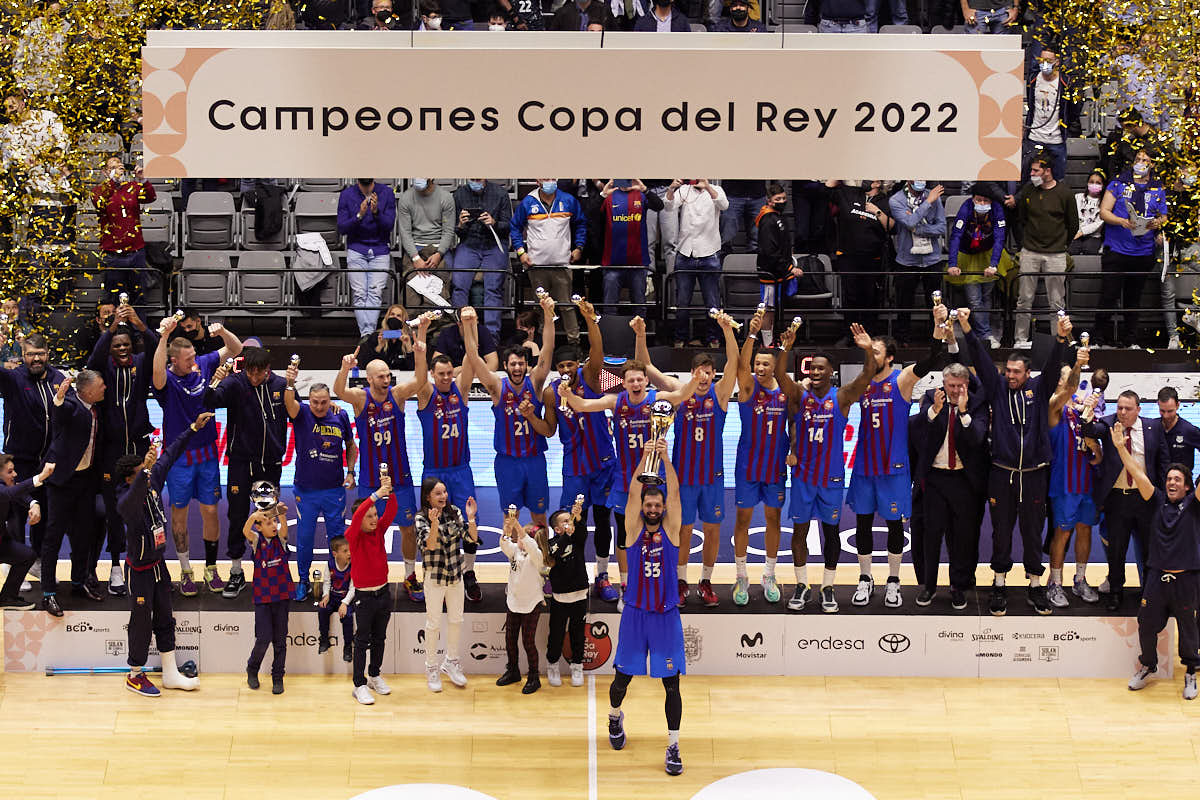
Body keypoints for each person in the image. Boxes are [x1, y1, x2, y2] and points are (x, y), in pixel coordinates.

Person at [560, 346, 696, 597]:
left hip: (655, 476)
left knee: (662, 529)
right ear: (623, 383)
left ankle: (662, 580)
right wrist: (567, 394)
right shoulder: (615, 401)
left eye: (639, 378)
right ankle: (626, 586)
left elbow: (683, 395)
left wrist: (695, 380)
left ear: (646, 381)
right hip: (625, 479)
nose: (635, 383)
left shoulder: (657, 400)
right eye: (630, 379)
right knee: (625, 533)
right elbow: (583, 405)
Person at [965, 311, 1069, 615]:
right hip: (1002, 473)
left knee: (1033, 530)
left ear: (1027, 373)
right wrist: (967, 327)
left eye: (1016, 372)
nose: (1010, 376)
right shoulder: (996, 389)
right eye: (1008, 371)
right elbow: (980, 359)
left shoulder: (1038, 390)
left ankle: (1035, 585)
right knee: (1001, 530)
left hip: (1035, 474)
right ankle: (999, 583)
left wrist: (1061, 338)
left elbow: (1052, 366)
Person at [632, 313, 737, 608]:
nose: (704, 376)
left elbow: (734, 362)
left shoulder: (720, 394)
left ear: (713, 374)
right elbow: (647, 368)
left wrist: (727, 331)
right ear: (692, 373)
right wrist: (641, 335)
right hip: (684, 478)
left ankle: (706, 581)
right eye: (699, 372)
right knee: (684, 530)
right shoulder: (680, 393)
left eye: (709, 372)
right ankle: (681, 581)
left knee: (714, 529)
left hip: (713, 478)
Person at [776, 323, 876, 612]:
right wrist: (786, 346)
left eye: (821, 368)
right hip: (804, 477)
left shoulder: (842, 397)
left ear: (831, 372)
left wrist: (868, 350)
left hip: (831, 478)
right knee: (799, 532)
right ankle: (802, 585)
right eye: (812, 369)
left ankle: (828, 587)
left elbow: (868, 375)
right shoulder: (798, 396)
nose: (816, 372)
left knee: (831, 534)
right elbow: (780, 375)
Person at [333, 314, 431, 602]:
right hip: (371, 480)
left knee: (408, 528)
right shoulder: (361, 398)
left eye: (388, 375)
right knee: (364, 530)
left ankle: (411, 575)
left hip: (400, 477)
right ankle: (361, 577)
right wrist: (343, 367)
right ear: (369, 378)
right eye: (381, 376)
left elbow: (421, 379)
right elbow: (339, 391)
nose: (387, 380)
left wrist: (420, 350)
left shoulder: (398, 395)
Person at [115, 413, 212, 697]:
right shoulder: (125, 500)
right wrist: (143, 474)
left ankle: (170, 672)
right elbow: (132, 500)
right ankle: (135, 674)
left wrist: (192, 427)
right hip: (139, 571)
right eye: (142, 473)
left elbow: (171, 453)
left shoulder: (151, 479)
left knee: (166, 619)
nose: (150, 474)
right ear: (130, 478)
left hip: (158, 566)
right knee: (141, 623)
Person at [607, 439, 686, 777]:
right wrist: (642, 459)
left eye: (657, 504)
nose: (652, 508)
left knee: (672, 685)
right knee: (622, 679)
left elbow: (677, 496)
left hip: (666, 616)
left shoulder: (671, 530)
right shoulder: (633, 529)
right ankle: (614, 717)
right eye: (648, 504)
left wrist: (665, 459)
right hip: (636, 615)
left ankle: (673, 745)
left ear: (662, 507)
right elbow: (631, 496)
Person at [152, 317, 242, 595]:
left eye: (194, 355)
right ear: (173, 362)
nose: (194, 361)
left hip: (207, 454)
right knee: (179, 514)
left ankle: (212, 568)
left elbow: (235, 349)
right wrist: (164, 337)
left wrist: (223, 331)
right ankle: (186, 569)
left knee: (212, 510)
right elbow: (156, 371)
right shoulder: (166, 381)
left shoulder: (203, 363)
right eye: (188, 358)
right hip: (179, 457)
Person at [540, 300, 619, 603]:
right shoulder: (550, 392)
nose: (565, 370)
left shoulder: (591, 377)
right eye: (561, 366)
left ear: (578, 365)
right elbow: (549, 430)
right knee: (571, 525)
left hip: (602, 464)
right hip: (574, 467)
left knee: (602, 521)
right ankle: (567, 571)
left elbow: (597, 350)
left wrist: (591, 320)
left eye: (569, 364)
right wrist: (530, 416)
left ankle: (602, 574)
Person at [1117, 436, 1200, 700]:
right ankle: (1148, 665)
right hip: (1156, 578)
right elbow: (1136, 472)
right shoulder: (1156, 500)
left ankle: (1190, 672)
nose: (1172, 482)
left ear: (1187, 487)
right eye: (1169, 478)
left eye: (1178, 479)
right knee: (1146, 623)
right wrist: (1120, 447)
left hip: (1186, 580)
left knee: (1189, 629)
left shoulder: (1194, 507)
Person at [204, 346, 289, 600]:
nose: (254, 378)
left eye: (259, 373)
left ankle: (271, 568)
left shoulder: (281, 384)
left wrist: (335, 411)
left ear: (268, 369)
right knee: (237, 515)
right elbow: (209, 401)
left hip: (269, 465)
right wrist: (216, 379)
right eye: (250, 373)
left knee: (268, 516)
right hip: (240, 464)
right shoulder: (235, 383)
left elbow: (298, 412)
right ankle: (237, 570)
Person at [464, 294, 557, 527]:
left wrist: (548, 313)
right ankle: (514, 564)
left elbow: (548, 349)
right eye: (513, 364)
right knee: (510, 519)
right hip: (508, 462)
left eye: (521, 363)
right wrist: (469, 326)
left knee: (539, 518)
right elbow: (474, 360)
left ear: (527, 365)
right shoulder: (497, 387)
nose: (517, 367)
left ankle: (541, 562)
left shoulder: (535, 383)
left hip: (534, 460)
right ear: (506, 366)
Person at [86, 303, 158, 597]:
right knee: (113, 512)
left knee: (144, 505)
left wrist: (140, 325)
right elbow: (93, 357)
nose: (123, 349)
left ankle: (143, 559)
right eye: (117, 345)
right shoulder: (104, 368)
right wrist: (112, 328)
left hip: (138, 447)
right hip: (111, 450)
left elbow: (156, 346)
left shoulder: (142, 364)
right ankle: (115, 563)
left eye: (126, 344)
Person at [912, 361, 990, 609]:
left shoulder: (977, 403)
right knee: (931, 535)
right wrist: (934, 411)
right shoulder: (930, 398)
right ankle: (929, 586)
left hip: (964, 481)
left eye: (960, 385)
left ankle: (958, 586)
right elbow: (916, 430)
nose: (955, 390)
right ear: (943, 384)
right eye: (951, 385)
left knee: (962, 538)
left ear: (967, 384)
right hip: (935, 479)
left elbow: (977, 439)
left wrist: (964, 413)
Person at [1083, 390, 1170, 611]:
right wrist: (1088, 411)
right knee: (1116, 549)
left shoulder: (1154, 427)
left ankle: (1149, 594)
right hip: (1117, 500)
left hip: (1147, 500)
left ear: (1138, 410)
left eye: (1127, 408)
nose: (1122, 412)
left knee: (1150, 550)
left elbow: (1163, 463)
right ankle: (1115, 592)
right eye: (1119, 407)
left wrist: (1164, 498)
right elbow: (1089, 430)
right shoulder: (1109, 423)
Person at [727, 311, 791, 605]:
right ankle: (741, 575)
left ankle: (769, 573)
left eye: (766, 363)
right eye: (757, 364)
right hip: (748, 468)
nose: (760, 367)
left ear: (775, 367)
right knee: (742, 520)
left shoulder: (785, 394)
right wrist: (751, 334)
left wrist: (794, 452)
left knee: (773, 519)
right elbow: (740, 364)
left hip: (776, 468)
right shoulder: (748, 389)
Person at [284, 370, 356, 602]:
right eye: (315, 402)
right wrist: (289, 381)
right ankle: (303, 580)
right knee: (304, 538)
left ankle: (338, 579)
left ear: (330, 400)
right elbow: (288, 402)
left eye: (324, 402)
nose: (320, 406)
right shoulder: (302, 412)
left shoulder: (340, 415)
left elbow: (351, 446)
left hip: (334, 489)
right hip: (305, 490)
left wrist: (351, 471)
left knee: (337, 539)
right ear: (309, 400)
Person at [416, 339, 479, 601]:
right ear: (432, 374)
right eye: (440, 373)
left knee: (469, 519)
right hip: (434, 471)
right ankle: (431, 572)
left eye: (448, 373)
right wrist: (421, 338)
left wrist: (469, 326)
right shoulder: (425, 394)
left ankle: (470, 572)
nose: (445, 377)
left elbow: (472, 359)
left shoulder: (460, 390)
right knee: (433, 521)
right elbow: (419, 374)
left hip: (460, 470)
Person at [0, 333, 64, 576]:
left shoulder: (58, 378)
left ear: (47, 353)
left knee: (44, 510)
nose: (36, 359)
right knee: (16, 511)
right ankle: (16, 563)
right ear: (23, 355)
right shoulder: (14, 378)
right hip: (19, 458)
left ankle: (35, 559)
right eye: (30, 354)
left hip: (48, 459)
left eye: (40, 354)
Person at [1045, 348, 1101, 608]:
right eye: (1068, 379)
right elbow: (1067, 392)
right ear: (1060, 383)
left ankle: (1079, 580)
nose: (1074, 385)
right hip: (1064, 482)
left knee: (1084, 530)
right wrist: (1078, 364)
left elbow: (1093, 443)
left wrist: (1098, 450)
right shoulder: (1053, 407)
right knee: (1062, 533)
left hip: (1087, 481)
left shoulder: (1083, 409)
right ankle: (1054, 583)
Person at [1096, 150, 1169, 349]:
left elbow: (1164, 215)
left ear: (1152, 164)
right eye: (1138, 159)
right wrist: (1121, 221)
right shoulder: (1119, 182)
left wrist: (1156, 222)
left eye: (1145, 160)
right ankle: (1098, 340)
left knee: (1133, 299)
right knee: (1109, 296)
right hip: (1117, 250)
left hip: (1143, 252)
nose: (1141, 162)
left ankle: (1130, 341)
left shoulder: (1158, 187)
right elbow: (1103, 211)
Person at [416, 478, 477, 692]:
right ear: (427, 497)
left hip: (455, 575)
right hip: (434, 577)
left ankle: (451, 661)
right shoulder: (421, 518)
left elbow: (471, 539)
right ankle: (431, 667)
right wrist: (434, 524)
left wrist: (470, 519)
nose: (443, 496)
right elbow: (429, 546)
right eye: (437, 493)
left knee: (456, 619)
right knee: (433, 624)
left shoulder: (455, 512)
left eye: (444, 492)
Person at [1012, 156, 1079, 349]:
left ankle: (1056, 341)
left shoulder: (1065, 193)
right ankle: (1020, 340)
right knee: (1024, 299)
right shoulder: (1028, 190)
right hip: (1030, 251)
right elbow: (1022, 218)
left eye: (1035, 171)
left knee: (1057, 302)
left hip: (1056, 253)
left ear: (1047, 171)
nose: (1031, 174)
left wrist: (1062, 245)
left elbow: (1073, 224)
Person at [511, 179, 587, 344]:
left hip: (562, 265)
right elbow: (515, 228)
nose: (549, 181)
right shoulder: (528, 201)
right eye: (545, 178)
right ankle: (543, 346)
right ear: (538, 180)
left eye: (552, 177)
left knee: (567, 307)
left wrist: (579, 247)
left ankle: (575, 346)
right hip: (536, 266)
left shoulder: (568, 200)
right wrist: (521, 252)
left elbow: (581, 223)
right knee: (541, 308)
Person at [346, 473, 397, 705]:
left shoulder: (379, 531)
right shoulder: (353, 536)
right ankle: (359, 684)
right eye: (370, 516)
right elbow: (358, 516)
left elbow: (393, 511)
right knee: (362, 640)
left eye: (375, 515)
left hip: (383, 594)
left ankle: (375, 675)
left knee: (380, 639)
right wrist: (376, 495)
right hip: (364, 598)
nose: (375, 519)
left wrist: (389, 490)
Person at [825, 180, 893, 335]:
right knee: (850, 298)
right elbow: (826, 189)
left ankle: (870, 334)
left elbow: (892, 227)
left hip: (873, 258)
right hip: (848, 257)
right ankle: (850, 335)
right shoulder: (850, 193)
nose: (864, 180)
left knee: (870, 298)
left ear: (877, 183)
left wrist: (877, 211)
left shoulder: (886, 201)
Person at [667, 178, 728, 348]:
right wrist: (672, 188)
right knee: (682, 302)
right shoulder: (684, 190)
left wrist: (707, 186)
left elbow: (724, 205)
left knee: (712, 302)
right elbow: (668, 206)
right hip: (685, 252)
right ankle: (680, 339)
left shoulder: (716, 189)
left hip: (709, 253)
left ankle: (713, 339)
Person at [243, 491, 291, 695]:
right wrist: (254, 517)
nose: (273, 526)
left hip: (282, 597)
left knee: (280, 641)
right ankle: (252, 670)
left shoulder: (281, 540)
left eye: (274, 523)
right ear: (259, 527)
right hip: (263, 599)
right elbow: (245, 530)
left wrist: (280, 513)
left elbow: (284, 527)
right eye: (268, 523)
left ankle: (277, 677)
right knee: (263, 639)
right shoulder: (256, 542)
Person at [452, 179, 512, 339]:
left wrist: (494, 222)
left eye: (478, 179)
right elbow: (457, 232)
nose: (475, 181)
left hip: (493, 243)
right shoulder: (459, 194)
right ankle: (461, 332)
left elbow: (508, 227)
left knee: (493, 289)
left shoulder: (501, 193)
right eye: (472, 179)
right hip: (469, 243)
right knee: (459, 286)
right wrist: (461, 224)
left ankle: (492, 336)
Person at [947, 187, 1007, 348]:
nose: (981, 203)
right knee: (974, 300)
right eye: (978, 200)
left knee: (987, 296)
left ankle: (982, 332)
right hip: (967, 254)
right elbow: (956, 236)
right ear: (973, 199)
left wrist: (993, 264)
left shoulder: (997, 209)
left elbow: (1000, 238)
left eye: (985, 201)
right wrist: (952, 263)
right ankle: (986, 335)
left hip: (988, 254)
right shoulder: (966, 207)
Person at [496, 514, 550, 694]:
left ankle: (534, 677)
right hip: (513, 601)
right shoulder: (515, 551)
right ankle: (513, 671)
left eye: (521, 537)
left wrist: (517, 525)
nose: (517, 539)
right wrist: (506, 530)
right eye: (518, 537)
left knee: (528, 642)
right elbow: (504, 544)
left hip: (531, 604)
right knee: (510, 639)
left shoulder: (538, 556)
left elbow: (531, 545)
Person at [338, 177, 397, 337]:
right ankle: (368, 336)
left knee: (375, 292)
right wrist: (360, 215)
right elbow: (342, 227)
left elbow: (389, 225)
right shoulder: (347, 195)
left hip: (380, 250)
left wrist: (376, 212)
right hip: (356, 249)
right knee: (359, 294)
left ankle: (367, 336)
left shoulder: (386, 193)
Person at [92, 155, 156, 303]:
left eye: (119, 167)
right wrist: (112, 182)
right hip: (112, 253)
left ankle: (139, 325)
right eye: (112, 168)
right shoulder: (98, 190)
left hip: (135, 251)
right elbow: (99, 202)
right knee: (114, 297)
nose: (117, 171)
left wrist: (143, 179)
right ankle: (115, 326)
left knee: (139, 296)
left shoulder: (132, 187)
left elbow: (150, 197)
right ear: (105, 172)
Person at [891, 181, 947, 345]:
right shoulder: (897, 200)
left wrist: (919, 230)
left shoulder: (934, 197)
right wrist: (928, 202)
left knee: (935, 305)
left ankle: (936, 339)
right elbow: (908, 223)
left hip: (932, 259)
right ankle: (902, 340)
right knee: (903, 304)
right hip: (906, 260)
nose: (920, 181)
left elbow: (942, 228)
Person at [599, 179, 663, 319]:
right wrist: (603, 194)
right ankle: (610, 339)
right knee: (609, 308)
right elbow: (592, 216)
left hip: (638, 263)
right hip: (612, 263)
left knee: (639, 308)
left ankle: (640, 339)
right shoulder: (610, 195)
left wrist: (645, 189)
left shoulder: (641, 195)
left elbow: (659, 206)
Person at [0, 457, 53, 609]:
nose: (15, 474)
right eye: (10, 471)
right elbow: (10, 493)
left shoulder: (6, 487)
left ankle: (7, 597)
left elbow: (17, 491)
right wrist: (42, 476)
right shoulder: (3, 491)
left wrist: (34, 503)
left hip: (2, 543)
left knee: (27, 555)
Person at [546, 497, 588, 687]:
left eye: (568, 519)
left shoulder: (577, 539)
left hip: (580, 594)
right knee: (556, 633)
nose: (568, 523)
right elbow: (556, 552)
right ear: (556, 529)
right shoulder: (552, 542)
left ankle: (577, 665)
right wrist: (566, 535)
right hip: (560, 597)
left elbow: (582, 534)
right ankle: (553, 664)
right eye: (565, 521)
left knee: (578, 633)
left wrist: (577, 519)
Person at [1022, 45, 1079, 182]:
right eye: (1041, 60)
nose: (1044, 63)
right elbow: (1031, 104)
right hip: (1034, 137)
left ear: (1057, 62)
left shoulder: (1065, 82)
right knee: (1031, 181)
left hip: (1056, 140)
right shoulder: (1033, 79)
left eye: (1048, 60)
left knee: (1057, 180)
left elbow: (1072, 110)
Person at [398, 178, 456, 302]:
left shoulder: (445, 197)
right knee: (411, 295)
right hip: (415, 249)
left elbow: (448, 231)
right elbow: (405, 233)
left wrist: (439, 254)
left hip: (439, 248)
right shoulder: (406, 198)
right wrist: (415, 258)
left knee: (437, 294)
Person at [754, 183, 795, 345]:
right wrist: (789, 268)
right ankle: (767, 343)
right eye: (778, 199)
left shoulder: (779, 216)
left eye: (784, 198)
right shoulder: (767, 219)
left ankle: (775, 338)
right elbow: (770, 251)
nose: (782, 201)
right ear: (769, 200)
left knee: (776, 308)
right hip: (769, 272)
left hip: (780, 272)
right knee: (768, 309)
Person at [317, 536, 355, 663]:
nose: (349, 553)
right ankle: (324, 639)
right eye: (345, 551)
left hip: (346, 598)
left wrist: (344, 603)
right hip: (333, 597)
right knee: (322, 609)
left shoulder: (353, 566)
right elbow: (327, 582)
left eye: (349, 550)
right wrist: (326, 595)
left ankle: (348, 646)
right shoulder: (330, 564)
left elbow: (353, 588)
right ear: (335, 554)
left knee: (347, 616)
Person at [431, 313, 499, 371]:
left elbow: (493, 364)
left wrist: (465, 372)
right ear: (459, 323)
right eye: (467, 322)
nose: (472, 326)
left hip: (478, 378)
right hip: (452, 378)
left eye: (474, 321)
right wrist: (451, 372)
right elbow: (436, 364)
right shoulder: (447, 333)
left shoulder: (483, 331)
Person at [357, 305, 415, 371]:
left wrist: (408, 348)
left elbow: (413, 369)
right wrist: (379, 347)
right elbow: (363, 365)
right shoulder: (376, 337)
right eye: (392, 314)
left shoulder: (407, 340)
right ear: (387, 317)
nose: (394, 317)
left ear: (403, 321)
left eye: (398, 316)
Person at [1158, 387, 1200, 474]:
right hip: (1157, 485)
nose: (1166, 416)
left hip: (1183, 484)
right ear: (1158, 404)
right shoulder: (1153, 428)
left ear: (1178, 405)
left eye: (1170, 411)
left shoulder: (1189, 430)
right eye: (1162, 411)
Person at [1071, 169, 1106, 256]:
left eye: (1098, 183)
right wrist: (1077, 232)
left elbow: (1099, 223)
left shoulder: (1105, 202)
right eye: (1091, 182)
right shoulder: (1078, 197)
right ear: (1087, 183)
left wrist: (1082, 232)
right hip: (1076, 233)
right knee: (1072, 250)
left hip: (1094, 236)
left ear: (1103, 185)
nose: (1094, 185)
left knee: (1089, 250)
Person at [804, 0, 869, 32]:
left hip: (857, 27)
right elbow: (812, 5)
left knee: (858, 58)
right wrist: (810, 28)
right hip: (828, 27)